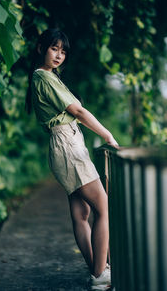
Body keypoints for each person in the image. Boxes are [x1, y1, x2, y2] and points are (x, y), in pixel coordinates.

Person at [25, 28, 119, 291]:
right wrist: (107, 134)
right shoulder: (43, 77)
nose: (59, 55)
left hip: (65, 146)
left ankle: (97, 270)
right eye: (54, 48)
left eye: (63, 51)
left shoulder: (47, 77)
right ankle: (100, 275)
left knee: (82, 213)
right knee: (104, 208)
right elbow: (77, 110)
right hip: (67, 146)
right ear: (41, 48)